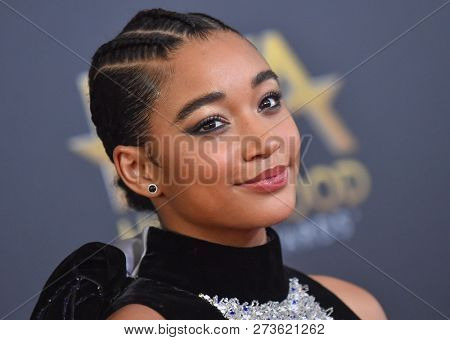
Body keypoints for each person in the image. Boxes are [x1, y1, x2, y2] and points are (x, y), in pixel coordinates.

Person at [30, 8, 387, 320]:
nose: (266, 141)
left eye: (268, 101)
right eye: (211, 123)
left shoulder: (358, 309)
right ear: (140, 170)